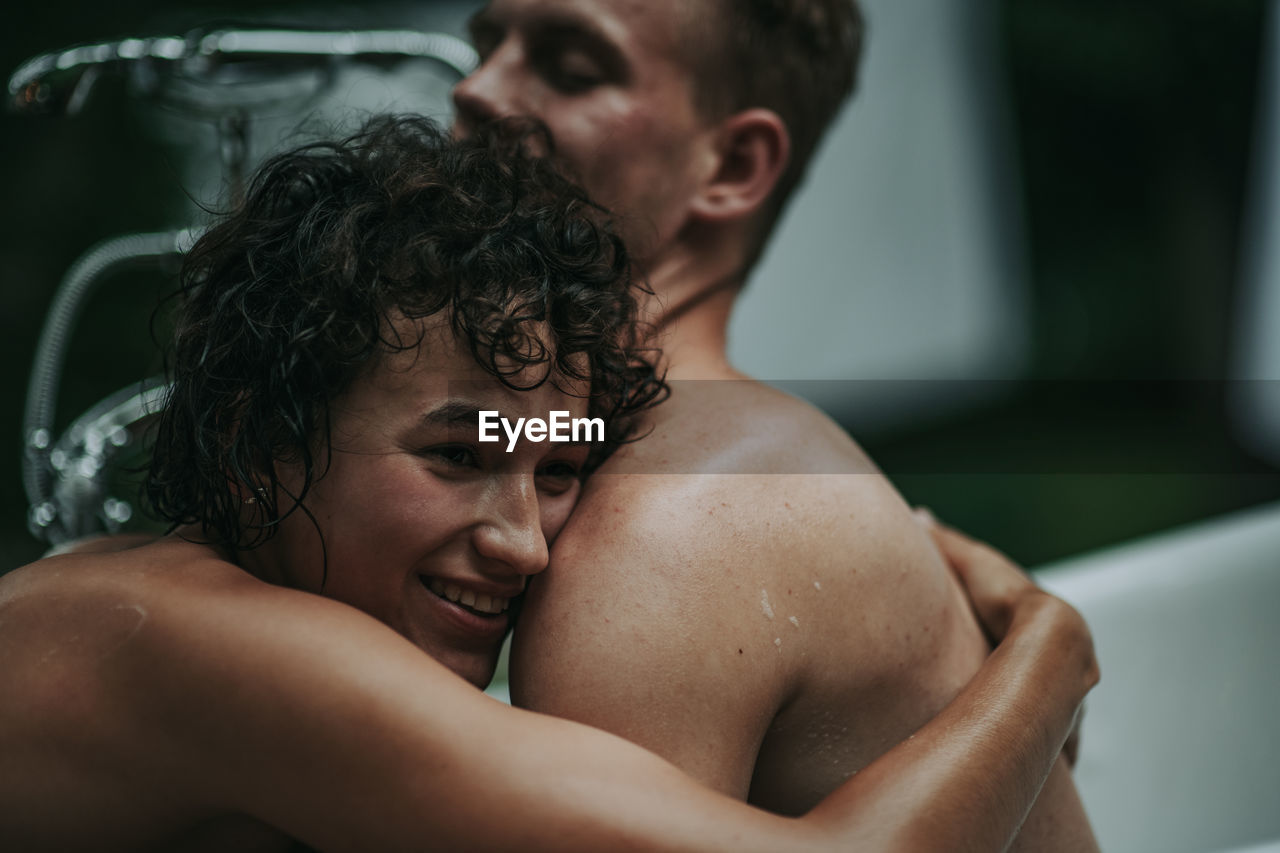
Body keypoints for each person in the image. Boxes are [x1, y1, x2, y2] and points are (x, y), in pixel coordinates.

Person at [0, 116, 1099, 851]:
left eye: (558, 466)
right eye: (457, 456)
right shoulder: (215, 647)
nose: (523, 541)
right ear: (258, 440)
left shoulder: (145, 597)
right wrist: (1046, 654)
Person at [452, 0, 1099, 847]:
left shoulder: (661, 536)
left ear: (733, 164)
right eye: (485, 43)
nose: (475, 89)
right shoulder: (720, 458)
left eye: (573, 68)